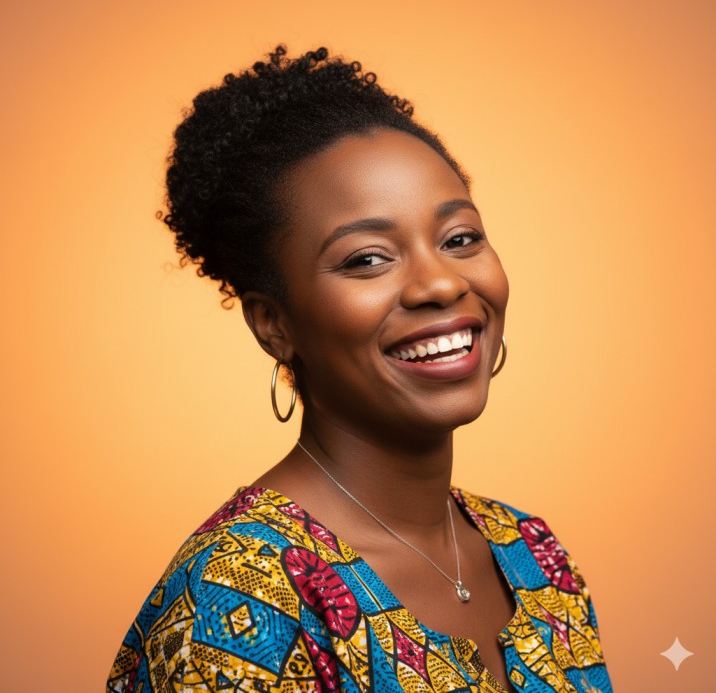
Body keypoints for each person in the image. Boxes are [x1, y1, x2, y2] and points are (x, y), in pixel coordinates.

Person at [107, 45, 612, 693]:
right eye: (367, 259)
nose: (441, 283)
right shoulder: (237, 600)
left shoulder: (535, 556)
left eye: (460, 239)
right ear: (273, 324)